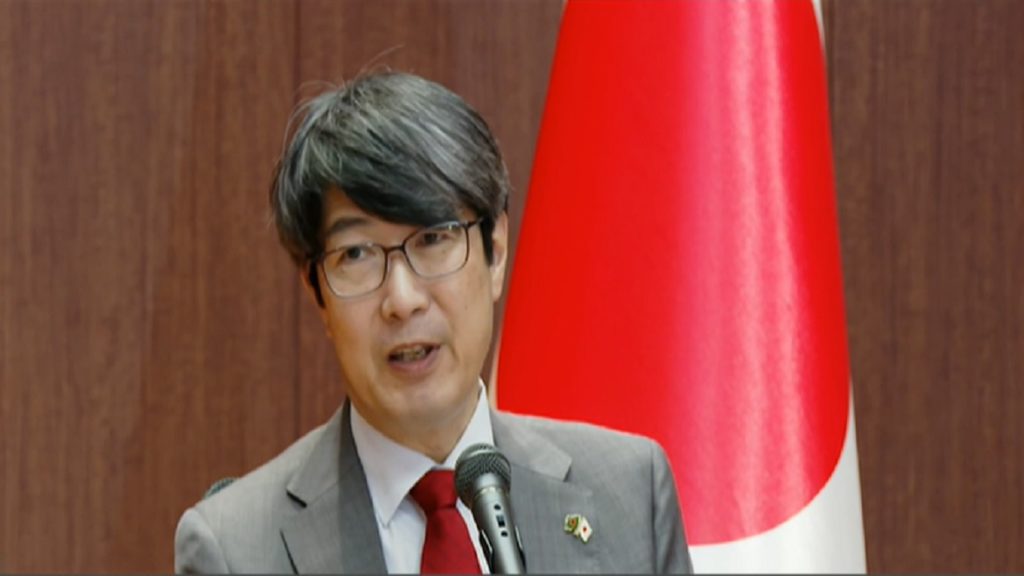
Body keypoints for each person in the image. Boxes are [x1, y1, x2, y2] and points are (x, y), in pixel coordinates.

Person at [174, 71, 692, 574]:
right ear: (317, 293)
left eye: (433, 239)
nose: (402, 300)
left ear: (495, 252)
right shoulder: (235, 550)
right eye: (356, 254)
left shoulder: (629, 495)